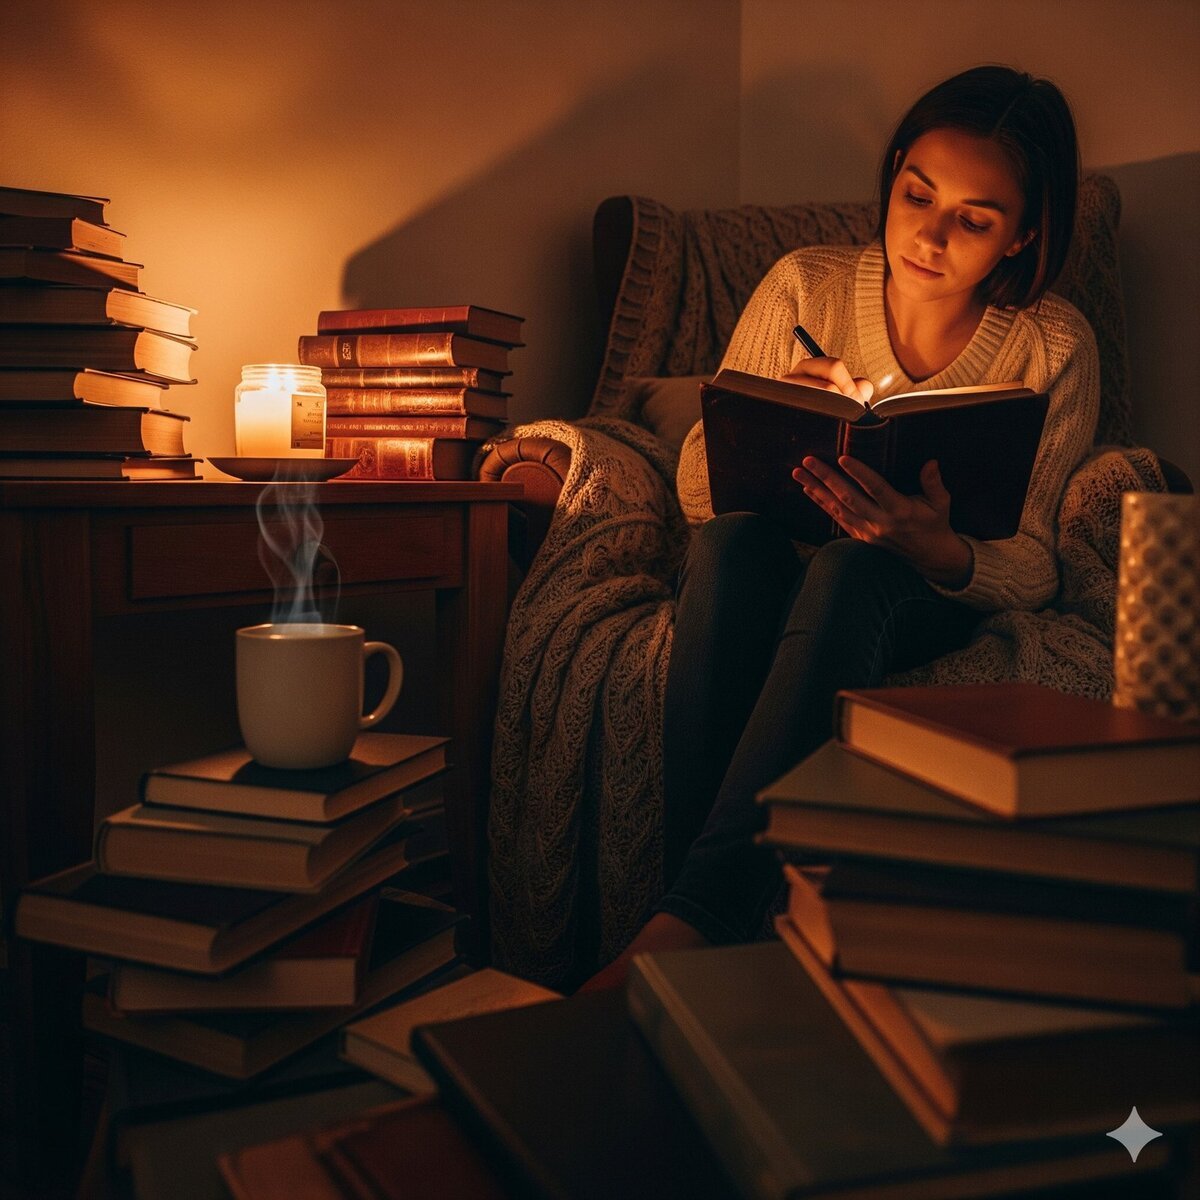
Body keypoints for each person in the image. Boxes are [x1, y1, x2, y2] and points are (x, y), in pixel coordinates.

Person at [582, 64, 1100, 990]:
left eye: (975, 220)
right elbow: (701, 494)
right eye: (916, 195)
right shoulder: (803, 291)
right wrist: (769, 413)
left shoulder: (1052, 344)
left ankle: (685, 929)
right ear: (894, 172)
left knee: (849, 574)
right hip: (771, 553)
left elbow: (1037, 568)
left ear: (1023, 233)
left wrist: (936, 548)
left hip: (915, 587)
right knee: (732, 545)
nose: (930, 236)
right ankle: (702, 925)